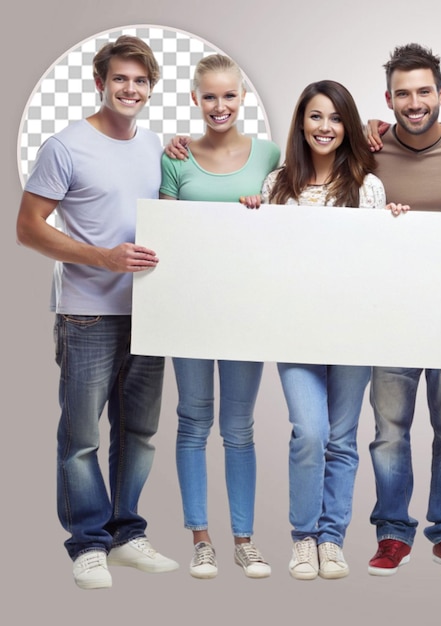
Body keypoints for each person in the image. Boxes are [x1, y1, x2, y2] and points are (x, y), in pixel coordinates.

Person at [15, 35, 179, 590]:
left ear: (151, 88)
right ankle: (87, 542)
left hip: (150, 313)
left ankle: (127, 533)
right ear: (100, 83)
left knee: (140, 433)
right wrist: (102, 258)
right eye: (120, 79)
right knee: (82, 436)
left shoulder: (155, 145)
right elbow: (28, 228)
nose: (130, 89)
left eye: (140, 81)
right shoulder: (66, 147)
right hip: (87, 314)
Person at [242, 79, 387, 580]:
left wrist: (394, 227)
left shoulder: (368, 187)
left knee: (343, 439)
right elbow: (264, 262)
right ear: (301, 123)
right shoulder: (277, 185)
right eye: (316, 117)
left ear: (347, 126)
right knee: (310, 431)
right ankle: (303, 537)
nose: (325, 127)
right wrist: (251, 220)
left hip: (352, 332)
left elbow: (374, 265)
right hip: (295, 331)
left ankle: (332, 538)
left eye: (335, 118)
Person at [364, 43, 441, 577]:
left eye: (423, 91)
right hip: (388, 317)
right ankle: (392, 532)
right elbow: (309, 164)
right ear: (388, 99)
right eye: (402, 93)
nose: (414, 102)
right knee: (389, 431)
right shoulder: (367, 148)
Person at [159, 53, 280, 580]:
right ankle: (201, 540)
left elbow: (295, 216)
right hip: (187, 309)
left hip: (245, 312)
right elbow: (163, 233)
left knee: (239, 428)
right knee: (192, 422)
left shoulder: (270, 155)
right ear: (195, 99)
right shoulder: (176, 158)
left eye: (229, 95)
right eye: (209, 96)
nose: (219, 105)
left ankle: (245, 542)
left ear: (243, 98)